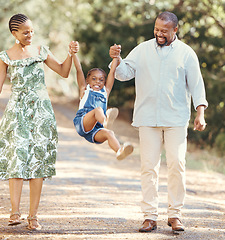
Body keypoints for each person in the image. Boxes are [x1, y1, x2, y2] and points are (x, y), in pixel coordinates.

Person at [0, 13, 78, 230]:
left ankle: (33, 217)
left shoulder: (41, 51)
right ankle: (14, 212)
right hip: (17, 112)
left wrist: (71, 54)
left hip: (41, 112)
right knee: (17, 158)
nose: (30, 35)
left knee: (37, 161)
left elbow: (64, 72)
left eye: (32, 30)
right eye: (25, 32)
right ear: (14, 33)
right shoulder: (5, 57)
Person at [109, 11, 208, 232]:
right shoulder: (143, 49)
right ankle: (149, 216)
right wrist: (117, 59)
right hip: (147, 118)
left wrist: (200, 113)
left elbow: (197, 85)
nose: (159, 33)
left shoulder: (186, 53)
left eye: (164, 30)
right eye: (156, 29)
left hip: (176, 118)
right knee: (149, 167)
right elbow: (123, 74)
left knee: (177, 165)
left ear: (175, 30)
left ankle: (175, 215)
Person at [72, 43, 133, 160]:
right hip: (83, 123)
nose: (98, 82)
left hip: (95, 130)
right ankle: (105, 121)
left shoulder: (105, 92)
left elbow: (112, 72)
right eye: (94, 79)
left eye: (101, 80)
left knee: (109, 133)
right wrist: (74, 54)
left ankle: (119, 151)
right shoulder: (85, 90)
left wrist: (116, 57)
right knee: (98, 110)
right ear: (87, 81)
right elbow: (78, 69)